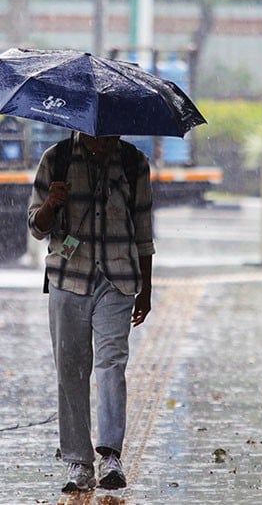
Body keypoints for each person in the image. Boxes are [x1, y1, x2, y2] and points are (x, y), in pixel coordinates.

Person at [28, 131, 154, 493]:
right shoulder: (57, 159)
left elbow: (144, 233)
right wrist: (52, 203)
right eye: (98, 138)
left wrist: (145, 289)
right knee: (70, 368)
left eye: (111, 136)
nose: (104, 143)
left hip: (118, 281)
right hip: (68, 277)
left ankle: (110, 455)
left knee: (112, 363)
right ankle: (78, 461)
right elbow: (36, 227)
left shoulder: (133, 163)